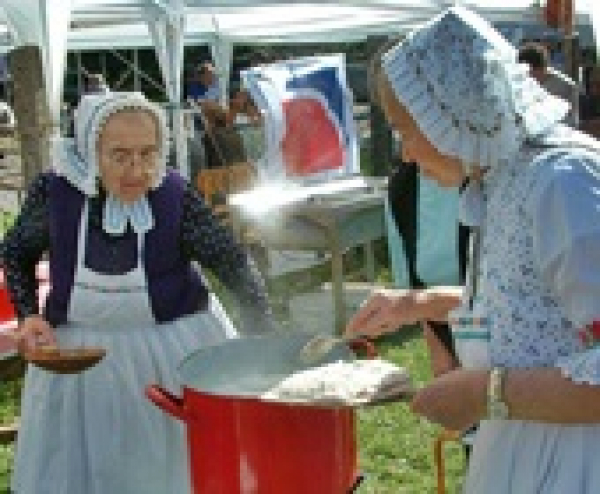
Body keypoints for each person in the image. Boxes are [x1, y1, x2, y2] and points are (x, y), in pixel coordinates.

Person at [347, 6, 600, 493]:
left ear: (454, 112)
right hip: (525, 448)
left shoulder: (562, 182)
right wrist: (421, 303)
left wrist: (488, 394)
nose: (405, 152)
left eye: (407, 131)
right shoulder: (501, 176)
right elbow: (530, 309)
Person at [1, 91, 273, 494]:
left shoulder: (173, 196)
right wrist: (29, 316)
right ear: (90, 152)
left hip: (170, 352)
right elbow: (16, 252)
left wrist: (262, 337)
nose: (137, 170)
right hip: (80, 361)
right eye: (120, 155)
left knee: (176, 470)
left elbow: (232, 263)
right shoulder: (56, 194)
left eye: (148, 153)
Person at [518, 41, 580, 127]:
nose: (530, 77)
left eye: (532, 73)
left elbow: (572, 121)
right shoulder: (521, 84)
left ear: (543, 67)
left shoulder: (566, 86)